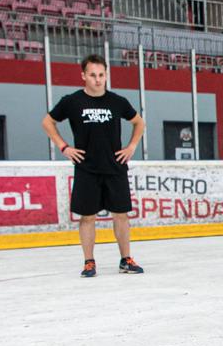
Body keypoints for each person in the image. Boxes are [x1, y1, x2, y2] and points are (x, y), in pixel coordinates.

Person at [42, 53, 146, 278]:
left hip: (115, 167)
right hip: (86, 168)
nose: (98, 79)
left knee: (121, 215)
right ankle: (89, 262)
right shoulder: (72, 101)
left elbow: (139, 122)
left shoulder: (117, 101)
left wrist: (131, 146)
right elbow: (47, 121)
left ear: (106, 75)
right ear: (83, 76)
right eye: (93, 75)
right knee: (87, 217)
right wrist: (64, 147)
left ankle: (125, 260)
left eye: (101, 75)